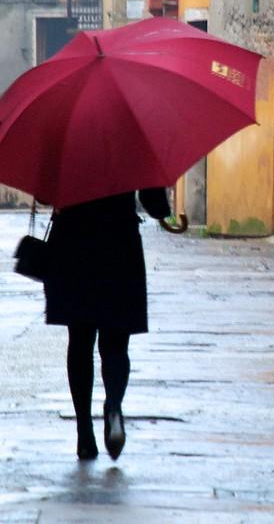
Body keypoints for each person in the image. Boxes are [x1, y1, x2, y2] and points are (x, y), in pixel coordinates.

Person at [44, 188, 171, 461]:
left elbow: (45, 194)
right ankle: (113, 404)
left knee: (80, 342)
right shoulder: (129, 157)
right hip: (119, 243)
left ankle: (84, 432)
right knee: (116, 343)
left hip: (73, 242)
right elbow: (154, 202)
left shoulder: (67, 157)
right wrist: (163, 210)